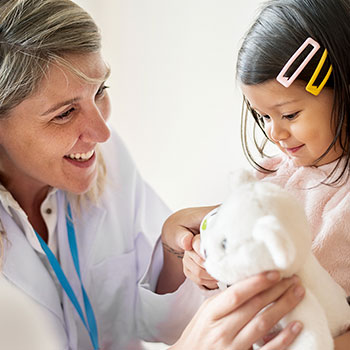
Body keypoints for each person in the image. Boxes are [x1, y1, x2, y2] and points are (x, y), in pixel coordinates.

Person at [0, 0, 305, 349]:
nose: (102, 133)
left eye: (100, 91)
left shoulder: (105, 162)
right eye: (65, 113)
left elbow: (159, 321)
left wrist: (174, 256)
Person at [182, 0, 350, 348]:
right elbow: (221, 230)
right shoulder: (276, 174)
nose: (275, 133)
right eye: (263, 117)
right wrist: (196, 250)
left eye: (289, 115)